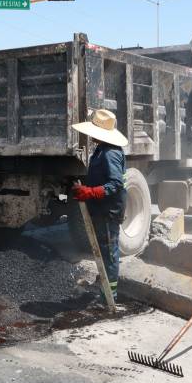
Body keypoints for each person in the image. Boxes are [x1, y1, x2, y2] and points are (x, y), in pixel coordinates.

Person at [70, 109, 128, 301]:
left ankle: (110, 297)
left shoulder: (110, 153)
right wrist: (87, 190)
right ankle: (106, 291)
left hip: (108, 213)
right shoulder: (101, 150)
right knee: (104, 253)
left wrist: (91, 192)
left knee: (109, 256)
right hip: (102, 210)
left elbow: (115, 184)